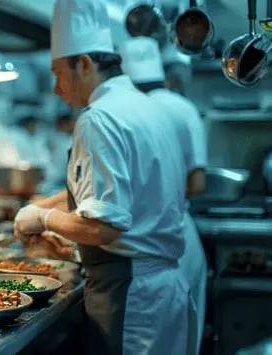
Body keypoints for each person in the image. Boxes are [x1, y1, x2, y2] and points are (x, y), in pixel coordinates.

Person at [13, 0, 192, 354]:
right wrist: (42, 207)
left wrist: (45, 218)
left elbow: (103, 228)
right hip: (163, 291)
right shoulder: (146, 107)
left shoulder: (99, 119)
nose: (56, 89)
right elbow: (113, 195)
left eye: (58, 74)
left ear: (83, 64)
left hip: (131, 296)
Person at [120, 36, 207, 354]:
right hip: (183, 237)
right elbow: (197, 185)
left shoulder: (123, 114)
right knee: (184, 338)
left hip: (146, 244)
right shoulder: (183, 108)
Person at [40, 109, 77, 194]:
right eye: (72, 123)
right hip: (54, 182)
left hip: (63, 183)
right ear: (64, 124)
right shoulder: (59, 140)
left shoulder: (69, 139)